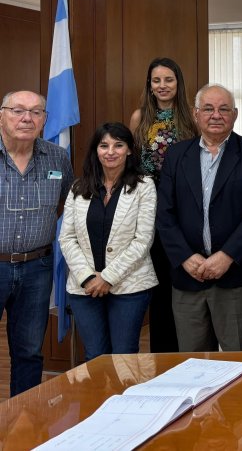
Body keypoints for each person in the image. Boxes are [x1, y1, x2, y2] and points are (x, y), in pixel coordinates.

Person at [155, 84, 242, 351]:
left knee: (239, 363)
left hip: (236, 278)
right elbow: (165, 213)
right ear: (196, 114)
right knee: (191, 364)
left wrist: (227, 255)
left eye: (224, 109)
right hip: (188, 277)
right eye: (208, 108)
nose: (216, 115)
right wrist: (185, 257)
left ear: (235, 114)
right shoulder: (176, 155)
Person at [59, 122, 157, 360]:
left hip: (129, 286)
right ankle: (100, 399)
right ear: (96, 150)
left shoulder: (144, 186)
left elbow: (142, 240)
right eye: (104, 145)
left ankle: (126, 399)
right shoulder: (78, 187)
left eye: (118, 145)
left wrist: (108, 278)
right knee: (95, 357)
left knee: (125, 357)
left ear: (129, 150)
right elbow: (67, 237)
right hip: (85, 288)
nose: (110, 151)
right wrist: (89, 278)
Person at [0, 91, 73, 396]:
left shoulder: (57, 157)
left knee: (29, 351)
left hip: (37, 268)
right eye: (18, 110)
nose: (26, 118)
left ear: (45, 120)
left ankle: (22, 424)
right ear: (2, 115)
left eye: (35, 112)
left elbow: (71, 206)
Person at [129, 57, 198, 353]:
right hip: (150, 210)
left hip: (185, 209)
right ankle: (162, 356)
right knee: (159, 286)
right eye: (156, 80)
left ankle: (190, 351)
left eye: (168, 79)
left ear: (178, 83)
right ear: (149, 85)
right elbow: (133, 165)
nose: (162, 85)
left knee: (184, 283)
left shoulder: (192, 118)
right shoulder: (139, 118)